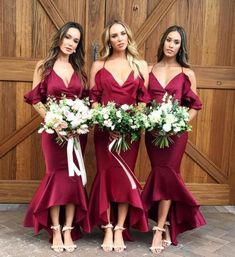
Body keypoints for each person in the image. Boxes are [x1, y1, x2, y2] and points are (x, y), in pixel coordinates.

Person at [23, 21, 90, 253]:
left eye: (76, 40)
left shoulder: (80, 70)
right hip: (53, 133)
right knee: (55, 177)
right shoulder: (44, 66)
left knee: (72, 180)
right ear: (60, 37)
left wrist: (78, 122)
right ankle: (55, 229)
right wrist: (54, 121)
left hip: (76, 134)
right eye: (68, 37)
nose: (71, 43)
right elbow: (35, 99)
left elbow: (86, 101)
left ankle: (68, 229)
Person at [141, 25, 206, 254]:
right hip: (154, 133)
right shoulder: (148, 69)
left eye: (176, 42)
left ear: (181, 46)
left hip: (176, 134)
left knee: (168, 174)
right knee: (161, 175)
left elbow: (195, 106)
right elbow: (143, 103)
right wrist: (149, 121)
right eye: (168, 40)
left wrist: (178, 125)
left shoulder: (187, 73)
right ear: (163, 42)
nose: (171, 45)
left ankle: (159, 229)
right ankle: (166, 224)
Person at [88, 19, 150, 253]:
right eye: (114, 35)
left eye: (123, 33)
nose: (120, 38)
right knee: (106, 176)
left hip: (130, 133)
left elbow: (143, 101)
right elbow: (93, 100)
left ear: (129, 36)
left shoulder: (140, 65)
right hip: (105, 133)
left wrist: (130, 123)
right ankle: (106, 226)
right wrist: (105, 121)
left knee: (126, 179)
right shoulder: (99, 65)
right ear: (109, 40)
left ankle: (119, 228)